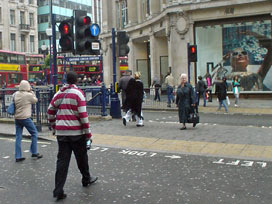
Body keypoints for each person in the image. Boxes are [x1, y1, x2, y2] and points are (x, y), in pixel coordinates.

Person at [47, 71, 98, 201]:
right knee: (81, 158)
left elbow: (50, 111)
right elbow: (83, 116)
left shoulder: (59, 93)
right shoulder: (78, 94)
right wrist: (88, 134)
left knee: (62, 161)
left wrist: (54, 126)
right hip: (76, 133)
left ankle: (58, 189)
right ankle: (86, 178)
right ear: (76, 81)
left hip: (62, 133)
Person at [14, 80, 43, 162]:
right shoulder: (28, 95)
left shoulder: (16, 94)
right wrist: (32, 92)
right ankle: (34, 152)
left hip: (17, 118)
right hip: (26, 118)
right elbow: (35, 100)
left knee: (18, 137)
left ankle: (18, 156)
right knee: (34, 133)